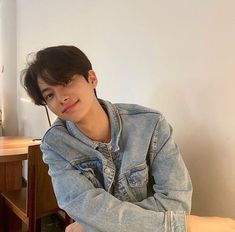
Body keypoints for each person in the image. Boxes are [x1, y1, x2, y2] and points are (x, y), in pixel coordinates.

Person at [21, 45, 235, 232]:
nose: (61, 98)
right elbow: (81, 204)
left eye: (66, 82)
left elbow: (176, 202)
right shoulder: (56, 143)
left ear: (92, 79)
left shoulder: (150, 124)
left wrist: (93, 224)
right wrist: (185, 226)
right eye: (49, 94)